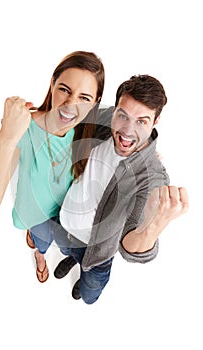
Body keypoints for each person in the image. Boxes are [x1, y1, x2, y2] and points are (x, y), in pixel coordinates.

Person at [44, 74, 189, 304]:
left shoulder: (152, 177)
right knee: (67, 251)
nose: (128, 131)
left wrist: (157, 223)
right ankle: (72, 258)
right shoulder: (105, 120)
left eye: (142, 121)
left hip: (96, 256)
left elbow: (129, 248)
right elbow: (69, 115)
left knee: (90, 295)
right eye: (123, 115)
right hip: (65, 226)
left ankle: (83, 279)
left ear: (155, 121)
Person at [0, 51, 105, 283]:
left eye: (84, 97)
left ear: (95, 103)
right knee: (41, 242)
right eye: (64, 89)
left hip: (65, 213)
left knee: (62, 244)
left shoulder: (89, 128)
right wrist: (7, 135)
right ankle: (39, 256)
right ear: (52, 84)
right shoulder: (23, 128)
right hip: (34, 215)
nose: (70, 104)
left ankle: (41, 249)